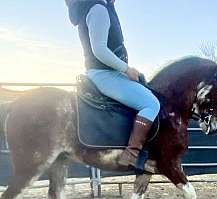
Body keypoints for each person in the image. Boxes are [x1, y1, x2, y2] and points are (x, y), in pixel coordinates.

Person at [66, 0, 160, 173]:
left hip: (104, 72)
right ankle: (131, 156)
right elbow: (99, 50)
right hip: (105, 74)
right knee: (151, 104)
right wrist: (126, 69)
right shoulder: (98, 9)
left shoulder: (91, 7)